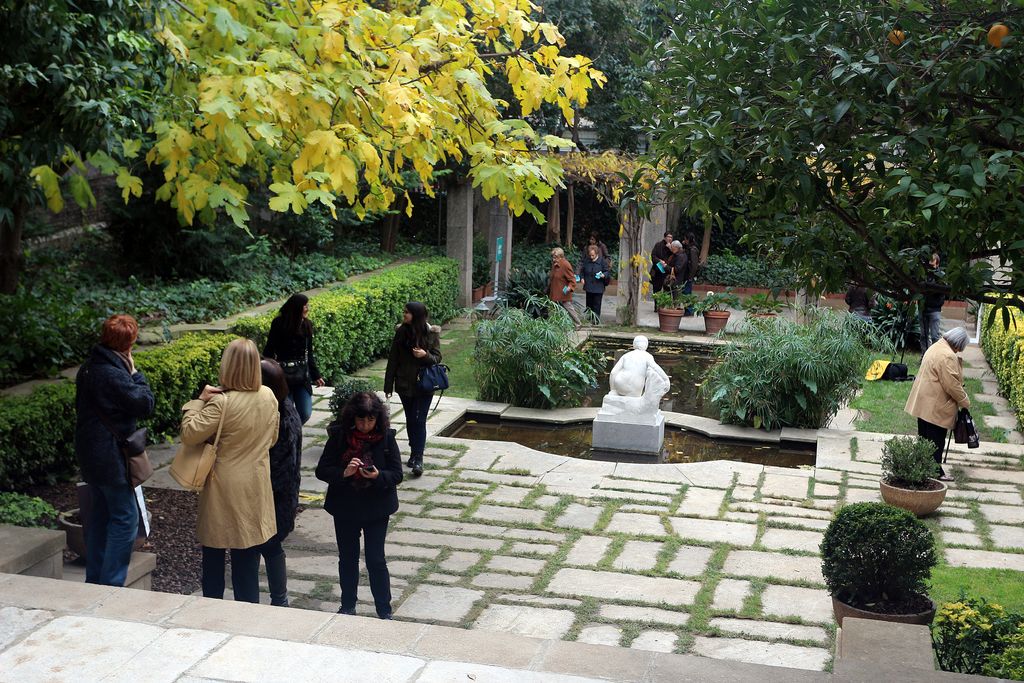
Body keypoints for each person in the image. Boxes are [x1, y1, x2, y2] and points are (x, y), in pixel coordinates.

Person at [180, 338, 280, 603]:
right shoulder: (268, 396)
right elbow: (272, 438)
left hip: (222, 486)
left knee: (213, 556)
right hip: (255, 485)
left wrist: (198, 401)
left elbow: (189, 434)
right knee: (247, 560)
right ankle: (247, 616)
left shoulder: (221, 403)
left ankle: (213, 613)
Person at [75, 314, 155, 587]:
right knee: (125, 519)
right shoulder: (113, 373)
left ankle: (95, 578)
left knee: (99, 516)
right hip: (110, 457)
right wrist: (136, 374)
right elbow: (144, 404)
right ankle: (111, 584)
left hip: (90, 454)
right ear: (129, 343)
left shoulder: (88, 367)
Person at [315, 392, 403, 619]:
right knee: (347, 558)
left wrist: (377, 476)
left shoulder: (386, 437)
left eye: (371, 420)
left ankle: (384, 610)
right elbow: (322, 470)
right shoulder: (338, 436)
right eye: (361, 420)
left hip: (376, 508)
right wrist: (344, 473)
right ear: (352, 418)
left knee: (376, 559)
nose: (365, 425)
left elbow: (396, 474)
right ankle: (347, 606)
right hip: (345, 507)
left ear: (378, 419)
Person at [258, 358, 303, 607]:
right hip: (275, 495)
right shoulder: (282, 406)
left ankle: (280, 599)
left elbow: (282, 465)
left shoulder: (282, 415)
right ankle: (278, 598)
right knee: (267, 547)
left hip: (275, 497)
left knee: (270, 546)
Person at [904, 327, 971, 482]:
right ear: (957, 344)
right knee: (936, 440)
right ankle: (935, 471)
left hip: (923, 400)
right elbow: (951, 385)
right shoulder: (947, 355)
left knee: (924, 437)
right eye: (961, 347)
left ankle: (922, 466)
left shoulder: (936, 346)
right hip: (936, 404)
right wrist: (965, 401)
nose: (959, 351)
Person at [384, 302, 442, 477]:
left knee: (419, 420)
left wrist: (425, 355)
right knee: (410, 418)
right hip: (404, 384)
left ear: (416, 315)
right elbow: (393, 359)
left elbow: (437, 357)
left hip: (424, 384)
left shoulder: (431, 333)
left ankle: (418, 457)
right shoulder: (401, 332)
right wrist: (388, 385)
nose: (404, 315)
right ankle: (413, 451)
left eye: (407, 313)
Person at [264, 293, 325, 424]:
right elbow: (269, 350)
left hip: (302, 375)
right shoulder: (279, 324)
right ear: (297, 307)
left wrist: (316, 375)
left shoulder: (307, 324)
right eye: (305, 306)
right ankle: (288, 438)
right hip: (283, 375)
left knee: (305, 412)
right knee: (286, 411)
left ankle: (293, 430)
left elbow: (309, 353)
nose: (307, 308)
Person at [547, 246, 581, 325]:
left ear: (561, 257)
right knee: (552, 308)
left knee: (569, 308)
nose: (553, 259)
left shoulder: (565, 264)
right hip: (555, 292)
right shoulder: (555, 264)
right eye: (553, 257)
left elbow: (572, 280)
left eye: (555, 257)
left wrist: (568, 288)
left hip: (563, 292)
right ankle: (553, 325)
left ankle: (578, 323)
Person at [920, 253, 945, 351]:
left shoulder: (941, 277)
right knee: (923, 336)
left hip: (935, 310)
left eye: (933, 265)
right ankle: (925, 358)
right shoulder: (923, 274)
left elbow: (942, 293)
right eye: (929, 264)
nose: (930, 267)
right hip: (922, 309)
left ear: (937, 264)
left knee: (935, 337)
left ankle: (935, 358)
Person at [578, 244, 608, 322]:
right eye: (590, 255)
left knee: (597, 304)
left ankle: (596, 319)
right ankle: (590, 316)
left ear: (597, 254)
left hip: (598, 286)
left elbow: (607, 271)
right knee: (589, 304)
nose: (591, 257)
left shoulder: (602, 261)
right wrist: (582, 278)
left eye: (593, 255)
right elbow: (582, 271)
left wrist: (603, 275)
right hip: (588, 286)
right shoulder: (587, 261)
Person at [649, 231, 674, 308]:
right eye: (668, 237)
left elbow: (676, 256)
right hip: (657, 271)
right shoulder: (658, 245)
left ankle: (665, 305)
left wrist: (670, 248)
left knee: (667, 289)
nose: (670, 238)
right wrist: (660, 261)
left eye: (671, 237)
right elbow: (653, 256)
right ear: (665, 237)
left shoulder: (673, 247)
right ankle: (657, 306)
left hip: (667, 271)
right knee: (657, 289)